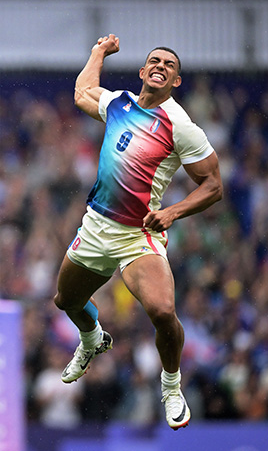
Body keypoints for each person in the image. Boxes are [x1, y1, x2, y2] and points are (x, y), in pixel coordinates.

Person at [53, 34, 223, 430]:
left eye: (170, 65)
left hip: (137, 234)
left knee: (163, 311)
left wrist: (173, 213)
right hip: (97, 225)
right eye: (155, 61)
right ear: (143, 71)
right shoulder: (120, 103)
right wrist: (98, 52)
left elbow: (214, 185)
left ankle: (171, 385)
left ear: (176, 81)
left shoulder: (181, 126)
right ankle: (93, 338)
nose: (161, 66)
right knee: (66, 301)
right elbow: (82, 93)